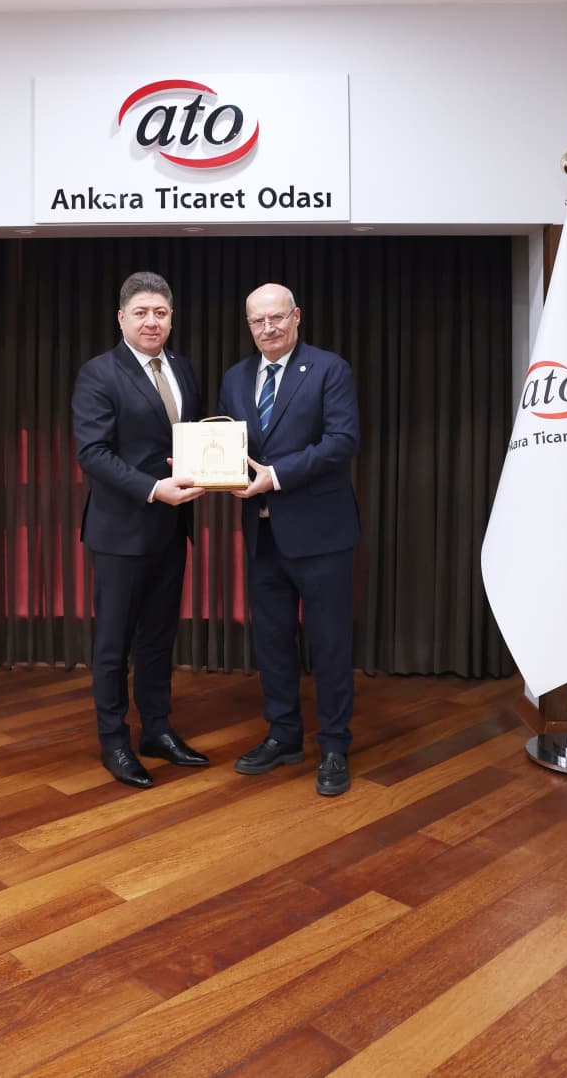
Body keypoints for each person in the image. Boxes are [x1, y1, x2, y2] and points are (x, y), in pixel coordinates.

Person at [218, 283, 360, 796]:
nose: (268, 328)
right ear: (248, 325)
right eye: (258, 321)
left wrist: (275, 477)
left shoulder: (329, 369)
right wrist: (206, 468)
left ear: (296, 316)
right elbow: (230, 446)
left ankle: (335, 745)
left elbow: (342, 441)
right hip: (263, 534)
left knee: (329, 643)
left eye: (276, 318)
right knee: (273, 642)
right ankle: (284, 735)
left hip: (322, 535)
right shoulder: (235, 378)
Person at [72, 272, 207, 788]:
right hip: (120, 534)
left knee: (158, 639)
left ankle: (157, 729)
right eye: (142, 312)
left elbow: (187, 442)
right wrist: (153, 488)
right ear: (122, 318)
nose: (152, 321)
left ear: (171, 318)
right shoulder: (98, 373)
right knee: (113, 646)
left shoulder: (183, 369)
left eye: (161, 313)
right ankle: (114, 741)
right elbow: (93, 453)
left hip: (171, 529)